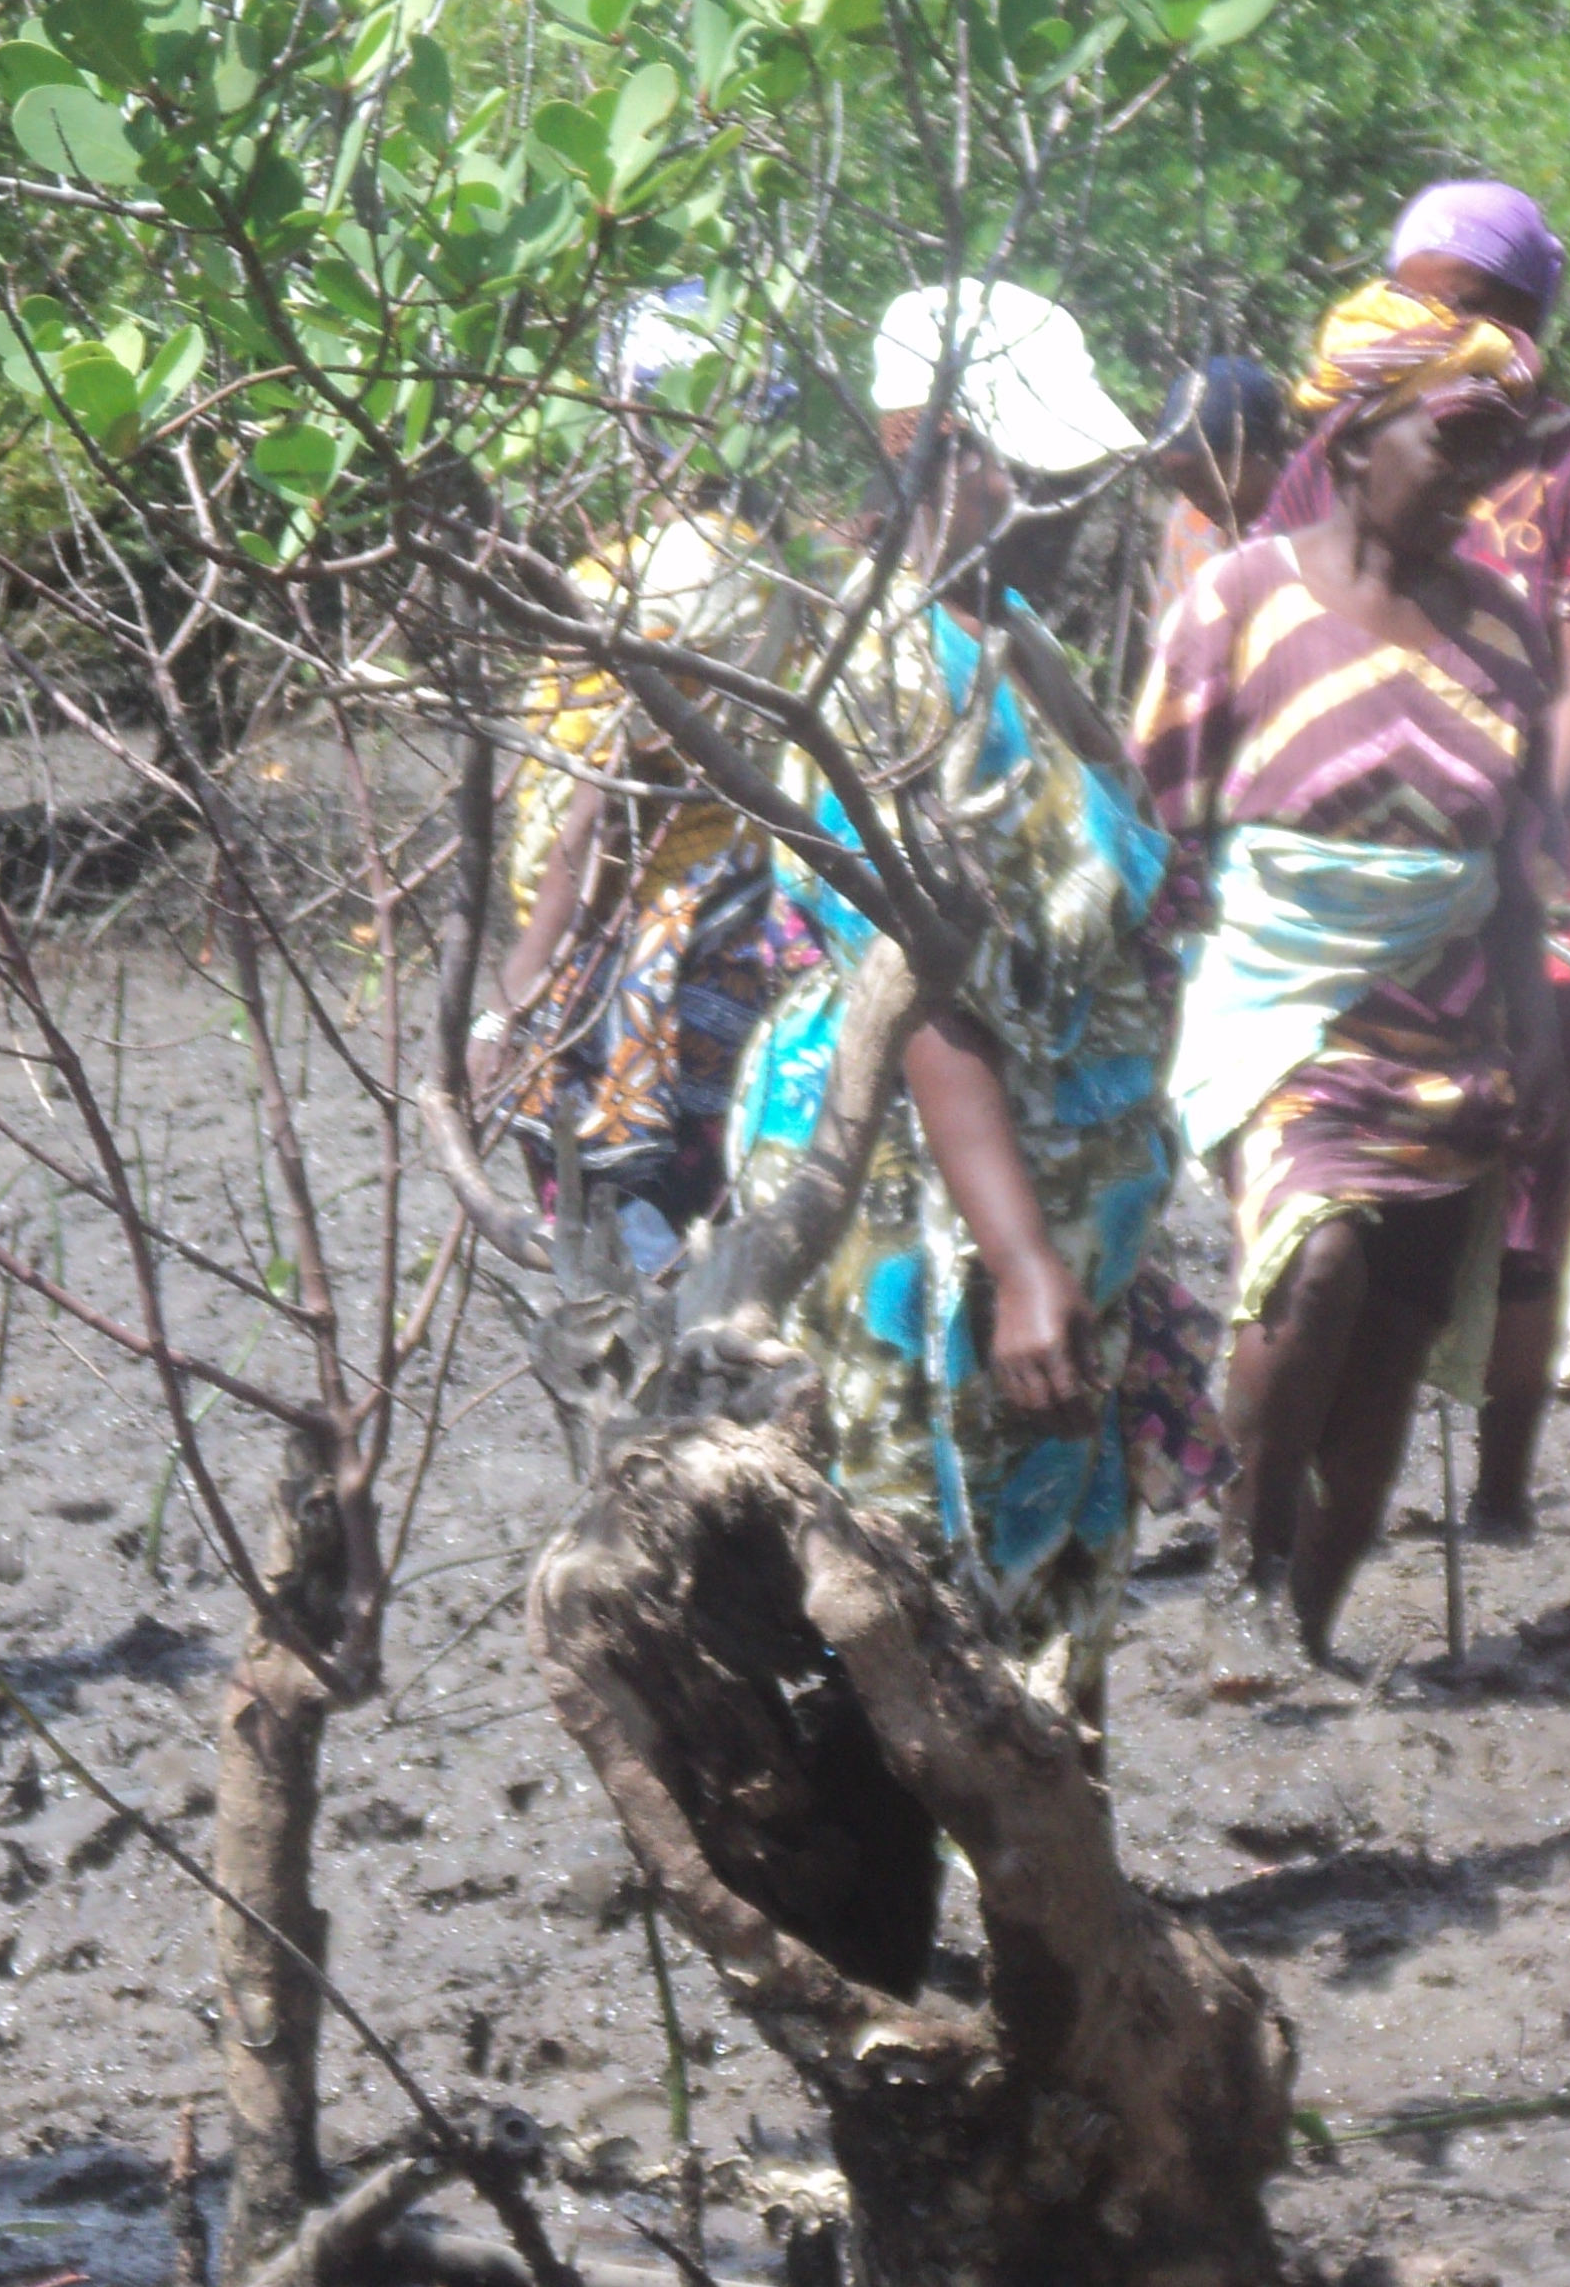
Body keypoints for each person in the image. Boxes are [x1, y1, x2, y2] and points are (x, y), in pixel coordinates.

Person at [722, 280, 1203, 1725]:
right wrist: (1019, 1258)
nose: (1066, 514)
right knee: (922, 1561)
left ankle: (1057, 1912)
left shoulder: (1014, 644)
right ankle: (953, 1908)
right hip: (927, 1202)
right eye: (1035, 478)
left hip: (1056, 1195)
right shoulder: (881, 677)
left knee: (1056, 1563)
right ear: (936, 451)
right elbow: (922, 991)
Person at [1259, 181, 1570, 1537]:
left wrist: (1503, 823)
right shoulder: (1346, 440)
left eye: (1446, 301)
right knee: (1342, 1177)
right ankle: (1314, 1490)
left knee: (1525, 1174)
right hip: (1355, 876)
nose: (1414, 320)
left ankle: (1504, 1495)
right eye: (1402, 292)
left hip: (1538, 873)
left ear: (1515, 321)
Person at [1142, 281, 1566, 1674]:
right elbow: (1166, 822)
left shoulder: (1506, 630)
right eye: (1451, 440)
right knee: (1314, 1266)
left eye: (1497, 449)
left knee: (1389, 1347)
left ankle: (1309, 1632)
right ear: (1357, 435)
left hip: (1451, 1028)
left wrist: (1538, 1044)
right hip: (1282, 1010)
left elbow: (1515, 857)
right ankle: (1241, 1574)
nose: (1477, 478)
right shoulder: (1238, 600)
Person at [475, 285, 805, 1268]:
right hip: (718, 918)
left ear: (649, 418)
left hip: (644, 944)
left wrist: (516, 997)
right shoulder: (756, 559)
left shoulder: (681, 573)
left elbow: (609, 810)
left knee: (629, 1263)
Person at [1141, 356, 1290, 608]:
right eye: (1184, 487)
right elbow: (1171, 637)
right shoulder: (1188, 522)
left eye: (1207, 481)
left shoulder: (1326, 520)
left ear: (1260, 454)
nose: (1198, 501)